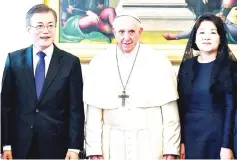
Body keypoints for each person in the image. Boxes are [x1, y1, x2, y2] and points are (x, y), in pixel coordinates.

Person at [84, 12, 181, 160]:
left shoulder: (158, 61)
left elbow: (170, 113)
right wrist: (94, 149)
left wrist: (171, 148)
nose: (126, 38)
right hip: (111, 142)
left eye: (131, 32)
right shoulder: (99, 61)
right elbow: (93, 113)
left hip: (150, 141)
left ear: (140, 32)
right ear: (114, 31)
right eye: (121, 32)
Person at [1, 4, 85, 159]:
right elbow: (5, 106)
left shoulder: (70, 62)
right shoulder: (14, 60)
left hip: (57, 146)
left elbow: (76, 109)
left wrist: (74, 147)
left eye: (50, 25)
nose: (45, 31)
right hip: (20, 145)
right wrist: (5, 144)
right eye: (39, 26)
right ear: (28, 29)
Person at [177, 13, 237, 159]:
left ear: (220, 37)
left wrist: (227, 146)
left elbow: (231, 109)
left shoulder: (230, 66)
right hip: (191, 137)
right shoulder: (187, 66)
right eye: (202, 32)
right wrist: (181, 141)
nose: (206, 37)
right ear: (195, 37)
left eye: (212, 32)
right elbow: (181, 106)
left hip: (218, 137)